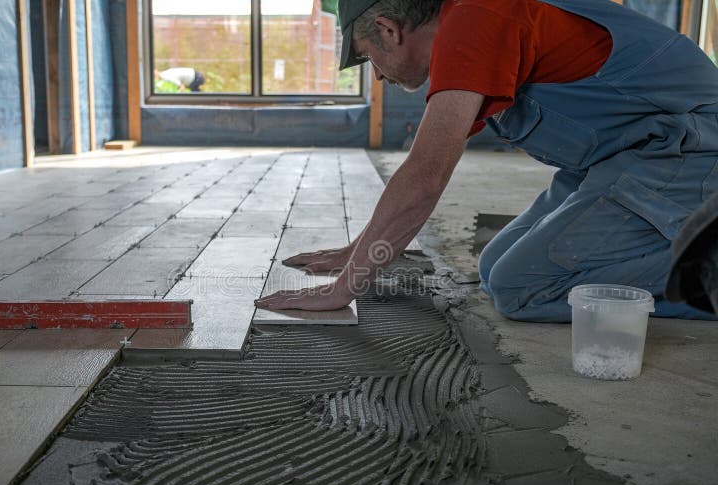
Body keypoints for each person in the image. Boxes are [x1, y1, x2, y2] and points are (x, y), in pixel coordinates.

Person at [255, 0, 718, 322]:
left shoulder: (475, 20)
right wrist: (356, 251)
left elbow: (424, 178)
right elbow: (424, 171)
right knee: (496, 270)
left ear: (388, 30)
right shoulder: (470, 25)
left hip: (690, 151)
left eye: (368, 58)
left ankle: (708, 277)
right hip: (623, 159)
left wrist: (345, 287)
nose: (376, 74)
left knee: (523, 289)